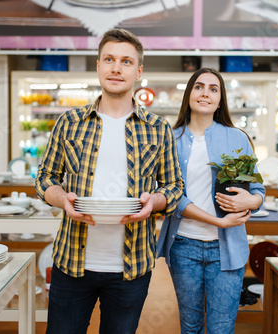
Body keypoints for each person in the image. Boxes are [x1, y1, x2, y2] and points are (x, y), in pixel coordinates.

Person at [35, 28, 183, 334]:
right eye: (109, 59)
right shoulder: (70, 122)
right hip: (72, 262)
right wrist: (62, 199)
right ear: (98, 65)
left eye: (126, 62)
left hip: (132, 268)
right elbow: (45, 178)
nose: (116, 68)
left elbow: (174, 186)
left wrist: (153, 202)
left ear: (139, 71)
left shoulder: (158, 128)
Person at [157, 68, 265, 334]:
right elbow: (172, 197)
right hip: (183, 247)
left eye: (213, 89)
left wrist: (249, 201)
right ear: (189, 94)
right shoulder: (171, 139)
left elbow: (258, 190)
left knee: (221, 328)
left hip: (226, 250)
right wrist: (218, 220)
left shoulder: (237, 138)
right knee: (190, 326)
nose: (205, 93)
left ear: (220, 100)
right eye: (199, 87)